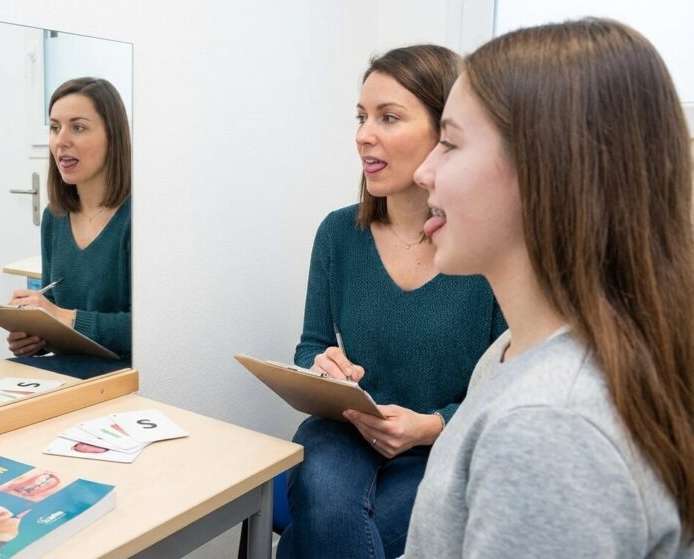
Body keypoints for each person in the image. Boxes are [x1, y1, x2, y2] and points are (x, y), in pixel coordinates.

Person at [405, 18, 694, 557]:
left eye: (448, 143)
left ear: (545, 167)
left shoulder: (548, 426)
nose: (424, 172)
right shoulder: (515, 354)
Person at [276, 45, 506, 559]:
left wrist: (432, 425)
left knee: (315, 537)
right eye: (361, 117)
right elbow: (310, 345)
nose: (363, 134)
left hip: (440, 445)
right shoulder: (337, 233)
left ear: (446, 132)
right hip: (344, 430)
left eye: (389, 117)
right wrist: (320, 367)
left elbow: (503, 389)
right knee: (328, 512)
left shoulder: (485, 247)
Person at [6, 77, 131, 374]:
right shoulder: (54, 218)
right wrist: (36, 335)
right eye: (54, 127)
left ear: (112, 137)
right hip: (67, 372)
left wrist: (60, 317)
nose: (61, 140)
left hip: (126, 380)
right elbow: (55, 306)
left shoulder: (138, 219)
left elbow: (152, 330)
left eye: (78, 127)